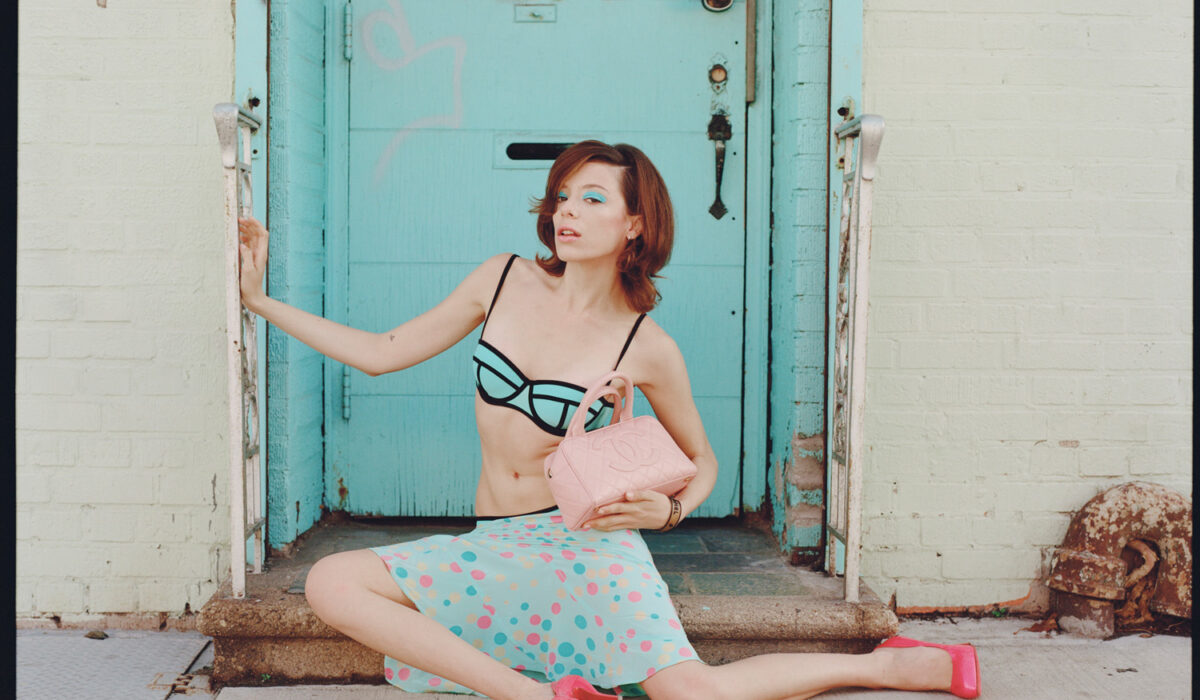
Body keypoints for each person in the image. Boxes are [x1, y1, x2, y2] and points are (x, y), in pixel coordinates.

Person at [237, 140, 980, 700]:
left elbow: (704, 461)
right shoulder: (503, 278)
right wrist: (260, 301)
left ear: (635, 223)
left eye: (592, 199)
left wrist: (670, 510)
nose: (566, 211)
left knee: (693, 693)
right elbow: (381, 352)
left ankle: (893, 667)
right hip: (496, 544)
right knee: (331, 582)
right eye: (562, 196)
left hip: (586, 547)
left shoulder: (647, 345)